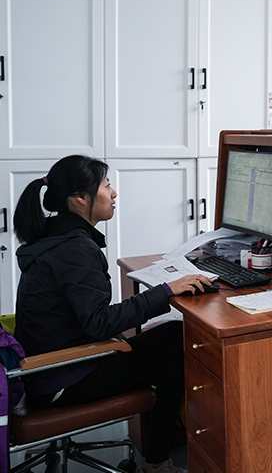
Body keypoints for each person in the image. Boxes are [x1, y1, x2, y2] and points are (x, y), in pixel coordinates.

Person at [13, 155, 213, 473]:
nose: (114, 192)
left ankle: (159, 458)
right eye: (106, 185)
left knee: (168, 350)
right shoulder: (74, 248)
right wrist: (165, 290)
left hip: (46, 371)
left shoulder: (54, 235)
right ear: (80, 198)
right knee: (177, 338)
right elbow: (100, 322)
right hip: (62, 376)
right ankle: (160, 462)